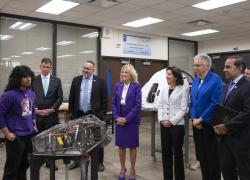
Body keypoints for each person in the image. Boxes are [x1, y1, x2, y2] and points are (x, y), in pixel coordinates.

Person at [213, 56, 250, 180]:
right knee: (227, 172)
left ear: (239, 68)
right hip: (225, 139)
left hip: (241, 140)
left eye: (228, 67)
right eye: (224, 66)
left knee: (244, 174)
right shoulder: (228, 86)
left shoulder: (247, 86)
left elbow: (247, 113)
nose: (224, 69)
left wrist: (227, 126)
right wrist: (218, 124)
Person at [68, 60, 108, 171]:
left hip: (94, 115)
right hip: (79, 114)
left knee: (97, 139)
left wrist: (101, 116)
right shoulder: (76, 80)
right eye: (84, 68)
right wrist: (71, 114)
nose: (85, 70)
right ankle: (77, 161)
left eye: (88, 69)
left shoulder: (100, 82)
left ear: (93, 70)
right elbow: (72, 98)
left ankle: (99, 163)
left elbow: (105, 101)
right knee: (78, 140)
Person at [190, 54, 223, 180]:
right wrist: (194, 118)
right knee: (202, 156)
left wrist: (201, 119)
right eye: (194, 65)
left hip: (209, 124)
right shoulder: (197, 80)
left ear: (206, 66)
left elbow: (215, 102)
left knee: (212, 157)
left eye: (197, 65)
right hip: (196, 124)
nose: (195, 68)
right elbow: (192, 101)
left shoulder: (216, 80)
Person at [0, 65, 36, 180]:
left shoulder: (32, 94)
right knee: (12, 168)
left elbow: (32, 110)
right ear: (17, 78)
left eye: (29, 76)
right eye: (24, 76)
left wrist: (33, 124)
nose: (28, 79)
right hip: (15, 137)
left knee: (24, 166)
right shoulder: (8, 95)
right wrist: (6, 133)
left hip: (29, 135)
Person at [157, 66, 189, 180]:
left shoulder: (183, 89)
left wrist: (172, 121)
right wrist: (162, 120)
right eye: (166, 74)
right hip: (164, 125)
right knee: (166, 153)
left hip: (177, 126)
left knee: (177, 154)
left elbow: (183, 108)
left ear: (175, 76)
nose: (167, 76)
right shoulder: (164, 88)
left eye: (169, 74)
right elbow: (160, 105)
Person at [31, 57, 63, 169]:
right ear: (40, 67)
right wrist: (35, 110)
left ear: (51, 68)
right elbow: (29, 97)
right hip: (37, 116)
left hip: (51, 116)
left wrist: (51, 109)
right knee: (38, 139)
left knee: (52, 140)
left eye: (47, 67)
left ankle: (50, 162)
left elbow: (60, 98)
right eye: (43, 67)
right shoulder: (33, 80)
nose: (45, 69)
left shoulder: (57, 80)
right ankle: (38, 161)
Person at [112, 64, 142, 180]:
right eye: (122, 72)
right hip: (119, 120)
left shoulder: (136, 86)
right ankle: (122, 168)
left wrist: (127, 119)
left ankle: (133, 169)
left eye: (126, 72)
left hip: (131, 121)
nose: (123, 74)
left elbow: (138, 105)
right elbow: (114, 102)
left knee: (132, 146)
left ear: (131, 75)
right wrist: (116, 117)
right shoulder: (117, 85)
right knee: (121, 146)